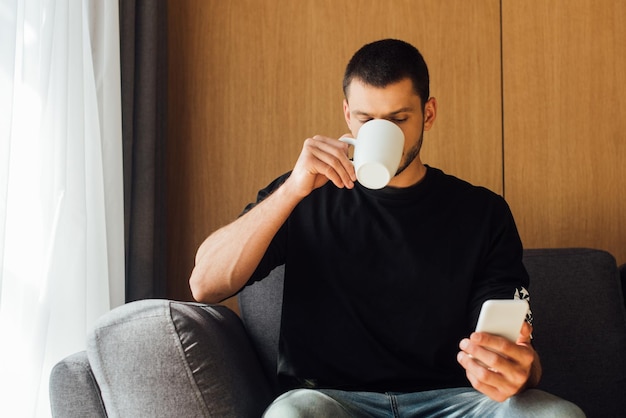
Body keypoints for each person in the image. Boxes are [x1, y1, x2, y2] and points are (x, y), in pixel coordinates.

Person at [190, 39, 584, 417]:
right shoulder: (304, 194)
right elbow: (205, 285)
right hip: (330, 401)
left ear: (428, 113)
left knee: (557, 414)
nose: (382, 132)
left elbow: (514, 343)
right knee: (291, 413)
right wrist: (291, 190)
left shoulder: (483, 211)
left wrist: (520, 371)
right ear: (347, 115)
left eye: (398, 119)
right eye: (366, 120)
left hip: (454, 401)